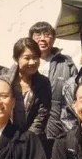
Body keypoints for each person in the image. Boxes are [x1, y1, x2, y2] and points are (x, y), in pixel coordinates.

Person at [30, 21, 77, 150]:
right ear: (31, 39)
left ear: (54, 39)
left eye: (47, 35)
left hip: (60, 123)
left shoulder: (66, 62)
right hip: (31, 125)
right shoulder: (25, 61)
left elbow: (75, 93)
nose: (42, 39)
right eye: (37, 35)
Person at [4, 37, 51, 141]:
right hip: (6, 139)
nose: (32, 62)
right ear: (16, 59)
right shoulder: (3, 82)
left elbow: (42, 114)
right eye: (27, 58)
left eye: (35, 57)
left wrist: (28, 138)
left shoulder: (43, 83)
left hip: (33, 140)